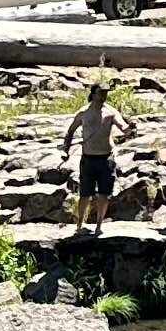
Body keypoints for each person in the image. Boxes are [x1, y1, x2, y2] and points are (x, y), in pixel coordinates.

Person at [70, 83, 122, 227]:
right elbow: (70, 131)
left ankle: (99, 225)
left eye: (105, 93)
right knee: (85, 194)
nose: (103, 96)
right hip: (88, 159)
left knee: (104, 194)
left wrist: (130, 128)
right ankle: (80, 223)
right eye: (101, 93)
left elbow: (123, 127)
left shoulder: (111, 112)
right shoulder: (83, 112)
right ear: (93, 94)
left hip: (106, 158)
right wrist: (65, 150)